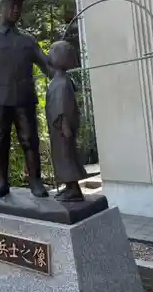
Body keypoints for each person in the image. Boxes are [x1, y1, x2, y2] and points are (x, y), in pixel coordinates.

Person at [0, 0, 53, 198]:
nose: (16, 9)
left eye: (19, 5)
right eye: (12, 5)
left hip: (24, 100)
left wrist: (63, 76)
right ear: (2, 8)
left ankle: (36, 181)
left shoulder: (27, 40)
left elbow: (46, 64)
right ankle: (1, 182)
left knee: (30, 140)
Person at [46, 40, 88, 202]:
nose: (49, 54)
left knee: (66, 157)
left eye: (51, 51)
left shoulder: (62, 82)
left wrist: (64, 126)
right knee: (63, 157)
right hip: (59, 130)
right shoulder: (61, 80)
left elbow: (62, 106)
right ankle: (70, 187)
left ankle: (74, 189)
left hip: (62, 129)